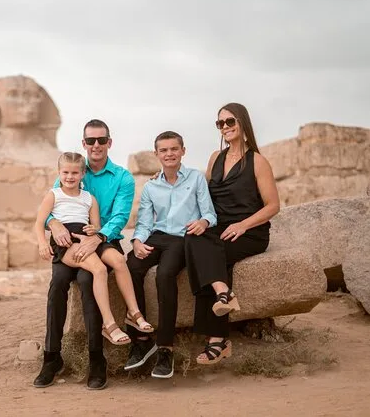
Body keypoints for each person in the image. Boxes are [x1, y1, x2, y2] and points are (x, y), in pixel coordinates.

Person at [33, 119, 137, 390]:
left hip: (102, 242)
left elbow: (120, 218)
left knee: (87, 281)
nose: (96, 145)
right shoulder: (72, 168)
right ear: (84, 143)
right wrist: (54, 225)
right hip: (67, 245)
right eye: (91, 140)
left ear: (109, 142)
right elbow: (50, 209)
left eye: (101, 140)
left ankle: (96, 359)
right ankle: (51, 357)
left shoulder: (122, 178)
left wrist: (97, 237)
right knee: (57, 284)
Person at [185, 102, 280, 365]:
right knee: (192, 238)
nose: (225, 127)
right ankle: (223, 292)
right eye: (220, 123)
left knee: (211, 256)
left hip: (249, 231)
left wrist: (242, 225)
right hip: (219, 227)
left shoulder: (258, 161)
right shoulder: (216, 157)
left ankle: (217, 339)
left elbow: (273, 206)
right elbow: (202, 195)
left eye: (230, 121)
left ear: (242, 123)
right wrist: (164, 179)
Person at [34, 152, 153, 346]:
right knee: (99, 269)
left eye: (75, 173)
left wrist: (94, 230)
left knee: (119, 260)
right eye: (65, 172)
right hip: (67, 242)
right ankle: (109, 323)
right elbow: (40, 222)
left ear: (83, 174)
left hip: (89, 238)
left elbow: (96, 225)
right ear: (59, 173)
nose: (69, 177)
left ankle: (134, 312)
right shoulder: (54, 195)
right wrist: (42, 243)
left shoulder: (89, 198)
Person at [124, 131, 217, 379]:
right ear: (157, 154)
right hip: (158, 236)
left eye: (174, 149)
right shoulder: (151, 186)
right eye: (163, 150)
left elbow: (210, 213)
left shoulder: (196, 178)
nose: (169, 154)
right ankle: (140, 339)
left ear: (183, 151)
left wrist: (203, 222)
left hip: (183, 238)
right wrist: (137, 241)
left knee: (164, 275)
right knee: (131, 266)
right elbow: (144, 223)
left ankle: (165, 348)